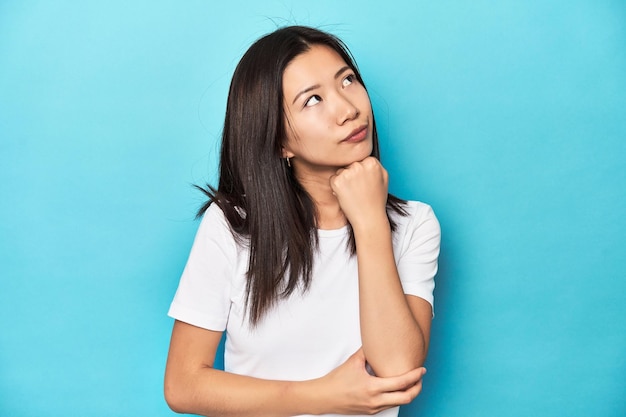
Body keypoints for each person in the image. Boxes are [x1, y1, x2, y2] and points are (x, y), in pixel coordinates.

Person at [164, 25, 441, 417]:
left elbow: (398, 370)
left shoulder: (415, 224)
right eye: (313, 99)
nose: (348, 109)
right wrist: (324, 395)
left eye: (347, 80)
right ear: (279, 140)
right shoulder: (233, 225)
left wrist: (370, 222)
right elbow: (183, 385)